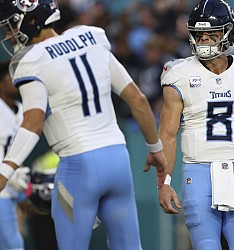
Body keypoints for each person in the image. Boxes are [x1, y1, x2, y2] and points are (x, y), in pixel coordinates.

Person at [0, 1, 168, 249]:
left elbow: (33, 123)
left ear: (32, 21)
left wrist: (4, 173)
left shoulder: (29, 61)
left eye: (12, 24)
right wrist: (155, 150)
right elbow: (139, 101)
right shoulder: (90, 37)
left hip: (78, 167)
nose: (8, 33)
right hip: (118, 160)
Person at [157, 0, 234, 249]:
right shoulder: (178, 73)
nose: (205, 41)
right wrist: (164, 183)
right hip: (198, 175)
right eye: (199, 35)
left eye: (212, 34)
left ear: (228, 33)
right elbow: (167, 134)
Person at [0, 60, 33, 250]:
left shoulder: (22, 110)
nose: (15, 81)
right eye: (10, 77)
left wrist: (23, 192)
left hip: (13, 187)